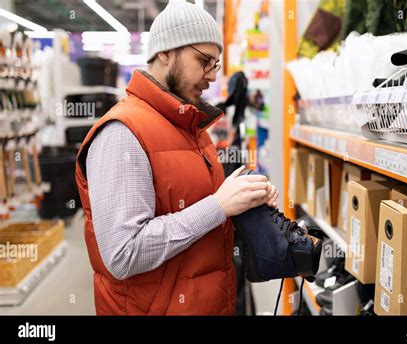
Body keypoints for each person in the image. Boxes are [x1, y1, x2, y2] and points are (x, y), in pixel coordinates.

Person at [75, 1, 278, 315]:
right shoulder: (122, 133)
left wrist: (243, 204)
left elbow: (194, 214)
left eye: (216, 64)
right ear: (165, 52)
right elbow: (123, 254)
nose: (211, 76)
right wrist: (218, 205)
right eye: (203, 61)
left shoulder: (192, 127)